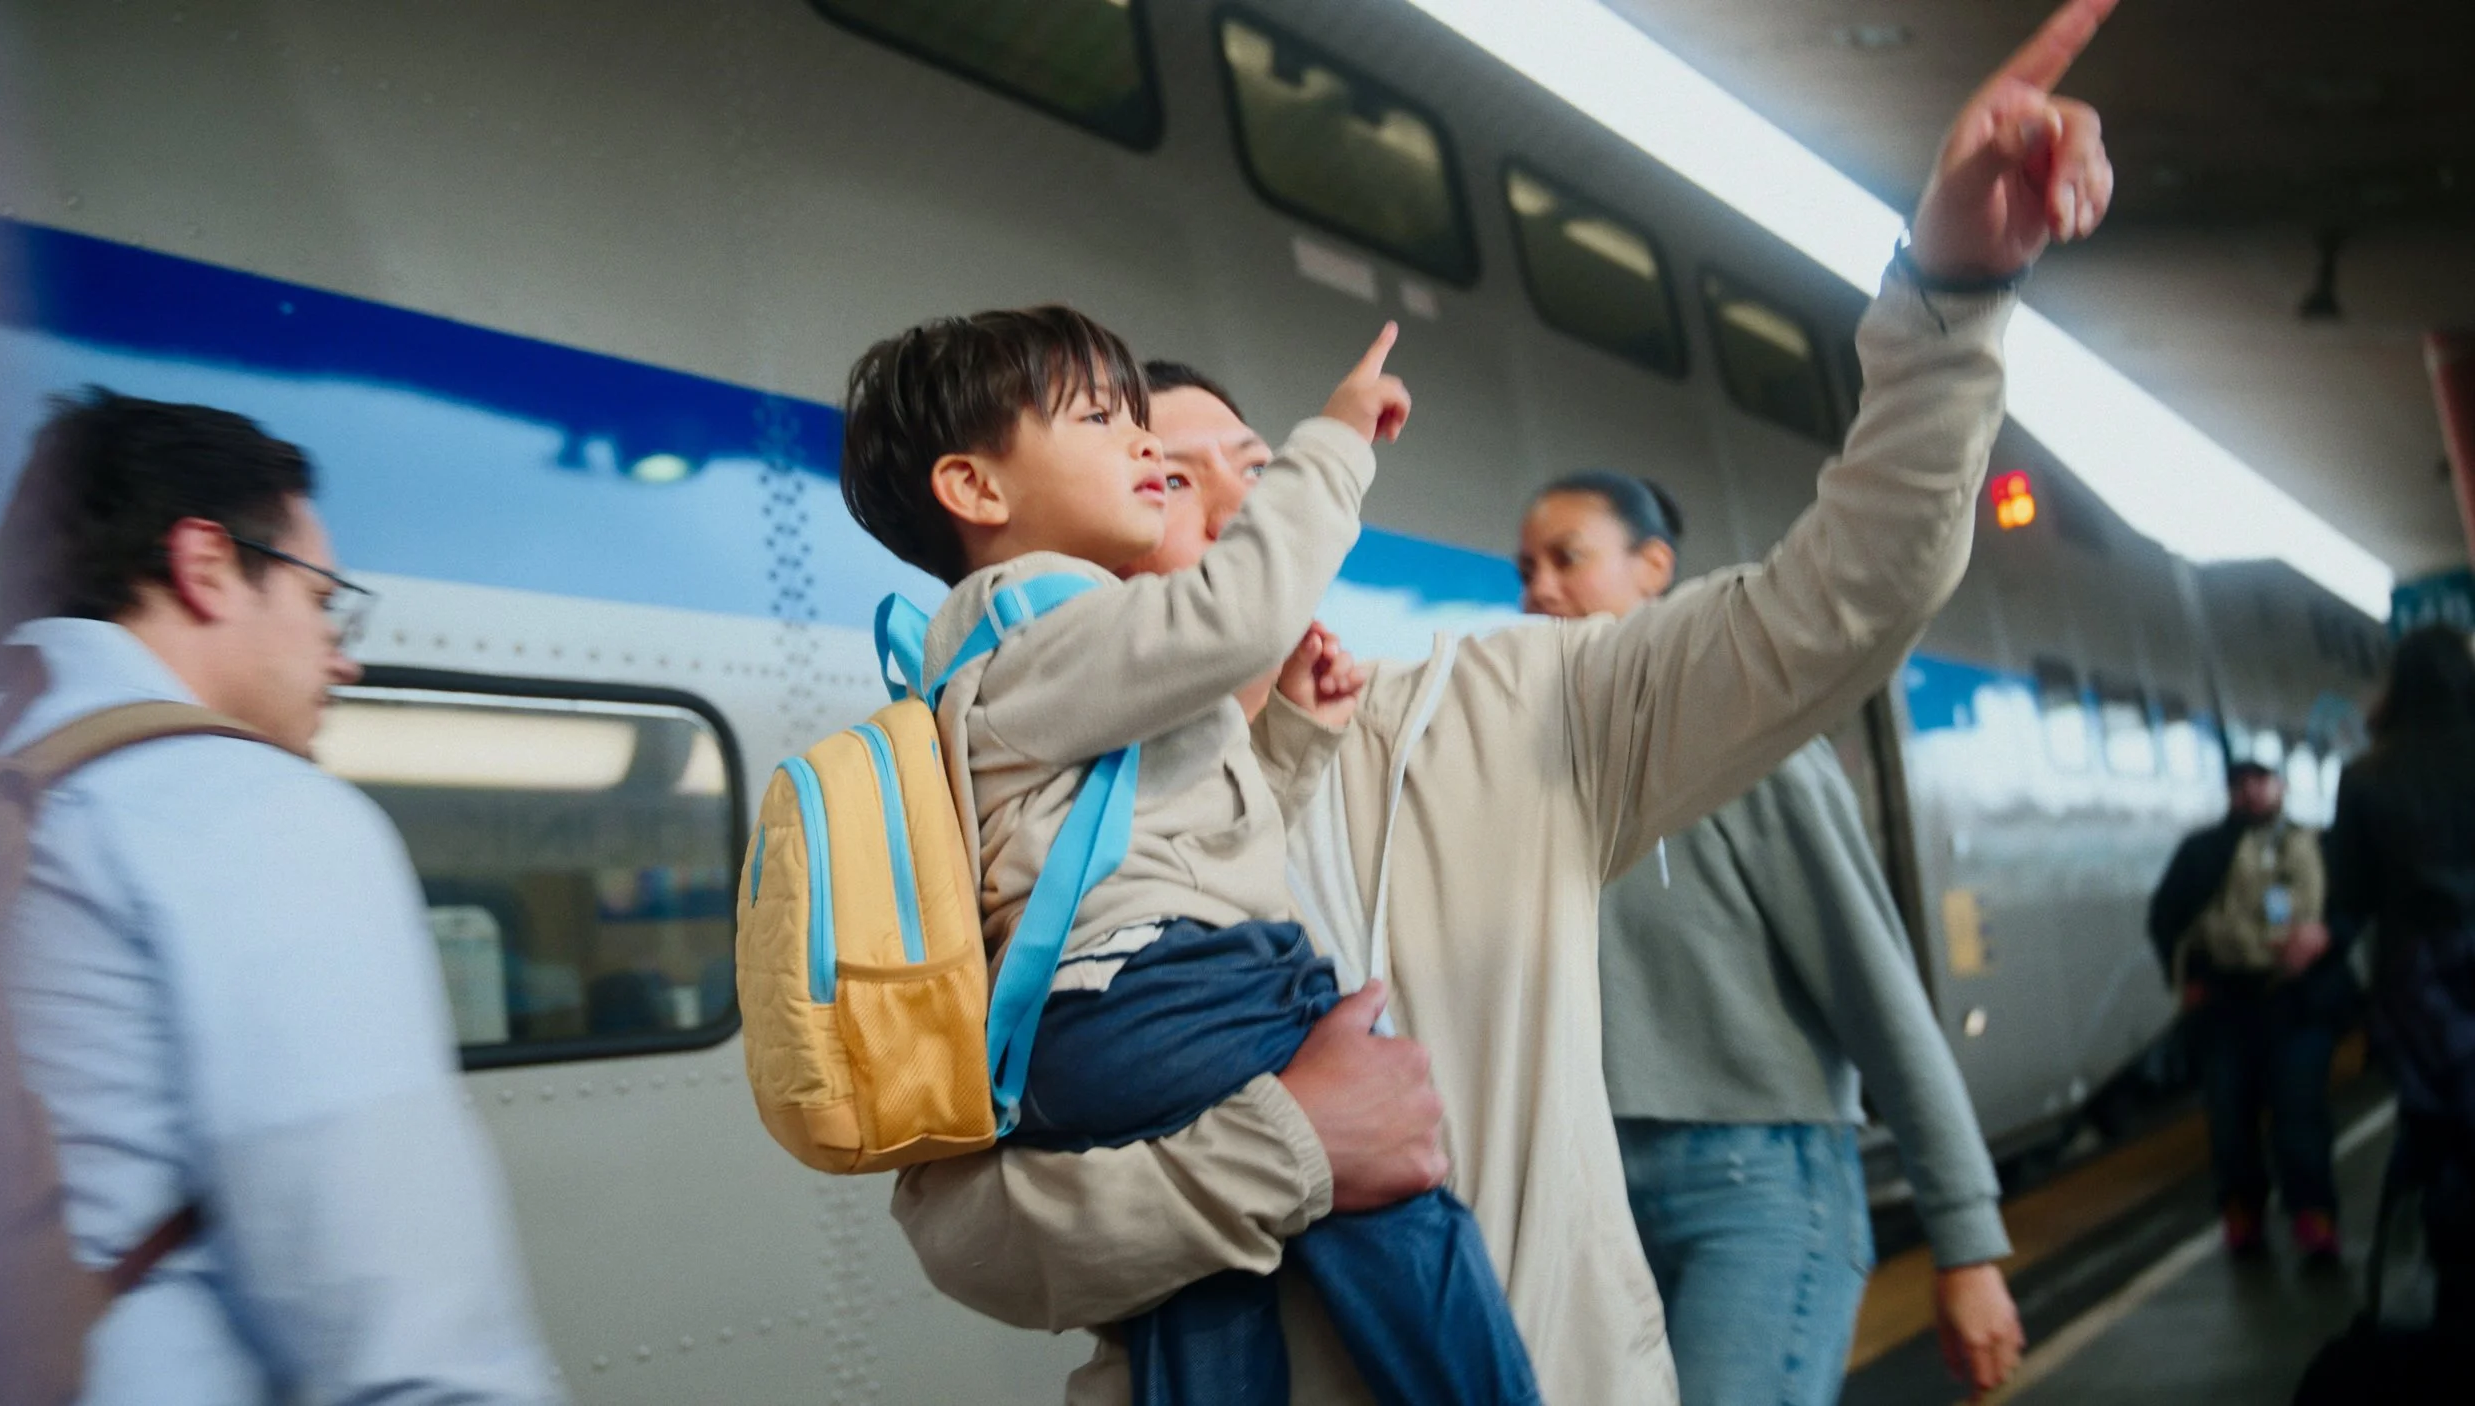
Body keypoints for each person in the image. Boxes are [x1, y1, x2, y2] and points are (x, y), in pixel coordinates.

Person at [888, 4, 2120, 1400]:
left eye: (1250, 451)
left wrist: (1950, 295)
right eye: (1162, 469)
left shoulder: (1511, 709)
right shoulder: (1008, 813)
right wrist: (1292, 1151)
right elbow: (969, 1230)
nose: (1231, 484)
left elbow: (1844, 598)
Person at [836, 308, 1538, 1406]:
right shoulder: (1041, 617)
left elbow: (1165, 838)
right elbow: (1240, 613)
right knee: (1398, 1207)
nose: (1147, 449)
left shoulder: (995, 665)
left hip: (1107, 1017)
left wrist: (1289, 736)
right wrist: (1338, 438)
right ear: (977, 491)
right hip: (1173, 991)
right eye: (1103, 420)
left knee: (1206, 1284)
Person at [0, 390, 560, 1403]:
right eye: (318, 595)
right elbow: (406, 1335)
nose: (343, 652)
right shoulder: (236, 807)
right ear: (205, 564)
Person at [1518, 471, 2024, 1402]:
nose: (1538, 588)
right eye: (1526, 568)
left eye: (1567, 560)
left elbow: (1878, 993)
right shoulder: (1541, 770)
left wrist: (1966, 1238)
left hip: (1759, 1191)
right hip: (1592, 1196)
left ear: (1654, 568)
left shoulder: (1753, 747)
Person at [2324, 623, 2475, 1328]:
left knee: (2438, 1144)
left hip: (2418, 996)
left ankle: (2451, 1301)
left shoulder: (2365, 774)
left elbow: (2345, 905)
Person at [2148, 759, 2346, 1261]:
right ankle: (2243, 1216)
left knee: (2299, 1117)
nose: (2252, 793)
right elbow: (2165, 916)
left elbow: (2349, 912)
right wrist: (2189, 978)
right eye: (2242, 785)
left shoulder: (2315, 848)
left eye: (2261, 782)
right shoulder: (2202, 852)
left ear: (2280, 786)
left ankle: (2314, 1215)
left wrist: (2326, 939)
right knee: (2230, 1122)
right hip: (2226, 1008)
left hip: (2295, 1005)